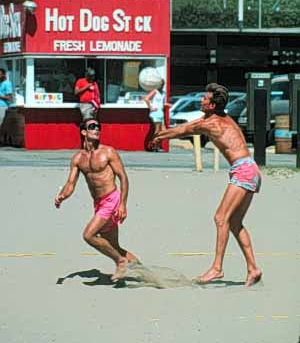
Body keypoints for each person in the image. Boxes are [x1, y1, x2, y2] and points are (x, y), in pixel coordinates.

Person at [153, 83, 262, 287]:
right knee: (235, 223)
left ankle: (217, 268)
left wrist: (159, 136)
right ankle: (253, 269)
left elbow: (183, 130)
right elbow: (186, 127)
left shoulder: (211, 124)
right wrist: (162, 135)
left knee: (221, 218)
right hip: (250, 169)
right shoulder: (219, 117)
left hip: (244, 171)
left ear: (212, 105)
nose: (201, 100)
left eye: (205, 98)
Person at [54, 118, 139, 282]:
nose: (97, 129)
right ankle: (144, 271)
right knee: (114, 246)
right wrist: (62, 196)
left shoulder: (108, 152)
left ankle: (120, 262)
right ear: (84, 132)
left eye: (98, 127)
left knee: (88, 235)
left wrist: (122, 204)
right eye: (92, 127)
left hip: (112, 200)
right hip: (98, 204)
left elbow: (123, 178)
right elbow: (70, 184)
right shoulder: (78, 158)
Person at [144, 78, 166, 152]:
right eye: (160, 84)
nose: (161, 86)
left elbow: (162, 103)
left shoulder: (163, 93)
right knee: (157, 130)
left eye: (162, 84)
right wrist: (151, 107)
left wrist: (169, 105)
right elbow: (146, 98)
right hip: (155, 113)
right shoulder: (155, 91)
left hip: (161, 112)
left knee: (163, 130)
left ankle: (158, 145)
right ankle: (154, 146)